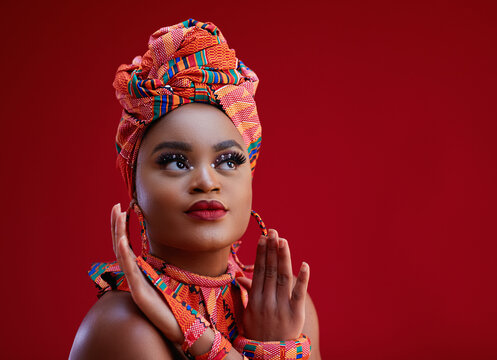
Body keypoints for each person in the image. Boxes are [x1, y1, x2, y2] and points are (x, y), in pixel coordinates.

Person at [70, 19, 321, 359]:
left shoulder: (286, 310)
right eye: (175, 161)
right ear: (134, 187)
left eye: (229, 161)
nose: (207, 181)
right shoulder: (123, 327)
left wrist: (259, 343)